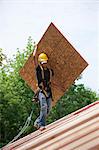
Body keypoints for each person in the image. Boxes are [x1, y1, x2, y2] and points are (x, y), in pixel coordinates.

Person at [33, 45, 54, 131]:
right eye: (43, 62)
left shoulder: (50, 71)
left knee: (48, 109)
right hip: (41, 92)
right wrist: (35, 48)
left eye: (45, 62)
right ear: (40, 62)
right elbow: (34, 58)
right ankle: (42, 125)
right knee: (44, 107)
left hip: (48, 91)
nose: (44, 63)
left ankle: (38, 122)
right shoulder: (39, 70)